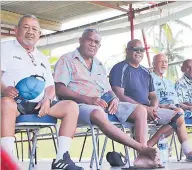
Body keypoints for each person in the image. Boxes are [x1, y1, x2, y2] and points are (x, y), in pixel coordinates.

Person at [54, 28, 161, 168]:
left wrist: (114, 99)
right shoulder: (67, 59)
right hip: (78, 105)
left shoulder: (99, 64)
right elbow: (59, 89)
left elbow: (108, 90)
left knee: (141, 110)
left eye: (96, 42)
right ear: (81, 41)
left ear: (99, 46)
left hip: (102, 103)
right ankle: (142, 148)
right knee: (98, 113)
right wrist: (88, 99)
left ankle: (141, 159)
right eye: (89, 40)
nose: (93, 44)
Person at [1, 14, 83, 170]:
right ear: (16, 30)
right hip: (14, 102)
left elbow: (50, 87)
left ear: (39, 34)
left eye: (34, 29)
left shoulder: (42, 57)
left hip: (39, 105)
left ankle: (61, 159)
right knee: (6, 102)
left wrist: (47, 100)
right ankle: (7, 160)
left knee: (71, 106)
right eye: (26, 27)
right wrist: (5, 89)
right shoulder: (5, 47)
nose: (30, 32)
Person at [109, 39, 192, 161]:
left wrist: (153, 108)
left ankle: (182, 151)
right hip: (125, 108)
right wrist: (147, 109)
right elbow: (119, 95)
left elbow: (153, 96)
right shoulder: (119, 68)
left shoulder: (145, 72)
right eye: (135, 49)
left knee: (178, 115)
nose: (139, 52)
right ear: (127, 51)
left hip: (147, 108)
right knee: (141, 110)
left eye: (141, 50)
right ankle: (143, 156)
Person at [151, 53, 192, 161]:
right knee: (179, 112)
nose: (164, 64)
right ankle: (188, 151)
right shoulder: (150, 79)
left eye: (166, 62)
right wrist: (165, 106)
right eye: (160, 61)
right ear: (153, 64)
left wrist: (189, 107)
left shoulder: (169, 82)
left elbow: (178, 102)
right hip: (162, 110)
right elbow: (149, 99)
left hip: (177, 109)